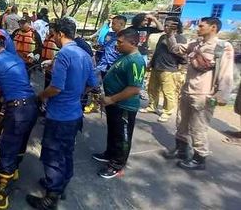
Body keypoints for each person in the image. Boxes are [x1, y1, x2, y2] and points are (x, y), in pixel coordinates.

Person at [26, 18, 98, 209]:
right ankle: (59, 186)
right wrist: (76, 94)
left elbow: (56, 88)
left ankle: (51, 198)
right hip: (74, 114)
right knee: (66, 152)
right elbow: (92, 83)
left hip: (59, 116)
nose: (53, 38)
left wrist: (41, 96)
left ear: (60, 34)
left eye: (53, 34)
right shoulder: (84, 54)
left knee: (52, 154)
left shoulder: (64, 55)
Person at [0, 30, 38, 209]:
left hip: (17, 110)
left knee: (7, 149)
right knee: (20, 143)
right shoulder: (16, 57)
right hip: (32, 105)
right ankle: (13, 171)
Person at [163, 17, 234, 170]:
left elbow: (226, 73)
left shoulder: (222, 47)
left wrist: (221, 95)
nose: (198, 28)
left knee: (198, 127)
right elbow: (175, 49)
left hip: (204, 95)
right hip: (188, 90)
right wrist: (169, 35)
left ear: (213, 27)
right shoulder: (195, 44)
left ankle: (199, 158)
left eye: (201, 26)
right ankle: (182, 150)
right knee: (181, 122)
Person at [92, 28, 146, 178]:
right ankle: (110, 153)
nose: (117, 45)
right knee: (114, 131)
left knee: (122, 135)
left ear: (133, 43)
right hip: (114, 103)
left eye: (121, 42)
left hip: (124, 105)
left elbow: (134, 88)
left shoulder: (136, 61)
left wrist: (111, 99)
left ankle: (117, 164)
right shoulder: (125, 55)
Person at [141, 16, 187, 122]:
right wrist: (151, 63)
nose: (166, 27)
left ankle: (167, 112)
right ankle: (152, 106)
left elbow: (183, 55)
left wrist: (181, 67)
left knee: (168, 92)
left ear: (176, 26)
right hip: (157, 66)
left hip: (169, 69)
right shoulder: (162, 37)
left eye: (169, 25)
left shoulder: (180, 38)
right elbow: (157, 51)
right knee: (152, 88)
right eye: (165, 25)